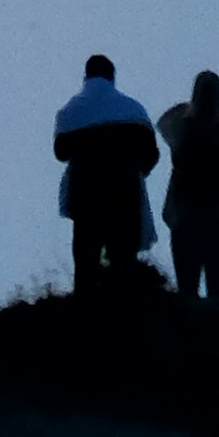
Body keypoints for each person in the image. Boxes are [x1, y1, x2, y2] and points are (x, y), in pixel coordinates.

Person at [53, 56, 160, 295]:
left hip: (85, 197)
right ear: (112, 76)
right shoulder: (133, 110)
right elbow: (151, 154)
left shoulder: (71, 110)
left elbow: (60, 152)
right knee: (124, 262)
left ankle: (85, 311)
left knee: (86, 262)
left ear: (86, 76)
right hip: (125, 195)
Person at [161, 64, 219, 307]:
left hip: (184, 214)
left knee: (187, 290)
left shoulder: (180, 127)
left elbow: (163, 122)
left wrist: (188, 109)